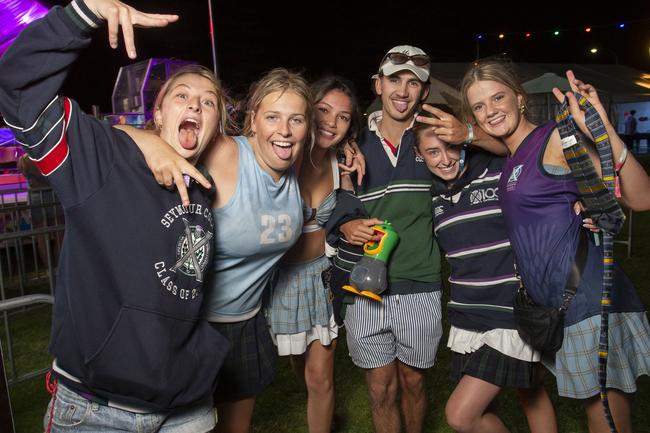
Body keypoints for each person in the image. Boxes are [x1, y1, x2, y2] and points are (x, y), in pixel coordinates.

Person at [0, 0, 232, 432]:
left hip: (188, 407)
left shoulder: (204, 189)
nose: (196, 107)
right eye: (182, 96)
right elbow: (16, 88)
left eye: (208, 102)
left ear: (216, 124)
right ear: (158, 114)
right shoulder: (104, 159)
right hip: (99, 411)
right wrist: (83, 12)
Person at [461, 60, 650, 433]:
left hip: (589, 302)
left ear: (520, 98)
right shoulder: (513, 156)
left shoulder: (553, 141)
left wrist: (603, 128)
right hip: (557, 310)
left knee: (605, 422)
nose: (490, 112)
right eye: (479, 106)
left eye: (498, 98)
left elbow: (641, 197)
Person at [325, 45, 505, 433]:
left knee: (413, 381)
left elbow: (508, 149)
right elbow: (329, 197)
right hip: (364, 288)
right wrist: (345, 224)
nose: (402, 91)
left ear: (424, 92)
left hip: (419, 286)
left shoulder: (439, 137)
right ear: (378, 84)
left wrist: (470, 133)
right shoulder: (351, 138)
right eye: (394, 80)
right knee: (379, 388)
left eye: (413, 83)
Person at [125, 68, 311, 433]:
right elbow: (119, 140)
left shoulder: (293, 159)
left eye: (297, 119)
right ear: (253, 120)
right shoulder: (225, 152)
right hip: (195, 323)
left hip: (248, 321)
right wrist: (146, 141)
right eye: (273, 117)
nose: (285, 130)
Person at [413, 108, 558, 433]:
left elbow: (533, 146)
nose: (445, 159)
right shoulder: (431, 193)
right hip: (468, 317)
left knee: (461, 414)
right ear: (420, 156)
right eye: (432, 152)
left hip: (511, 316)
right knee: (530, 390)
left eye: (451, 146)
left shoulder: (500, 168)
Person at [266, 75, 362, 433]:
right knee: (299, 364)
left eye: (343, 117)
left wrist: (351, 154)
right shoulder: (282, 152)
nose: (331, 123)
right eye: (323, 110)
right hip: (279, 281)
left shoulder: (341, 163)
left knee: (320, 378)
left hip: (321, 277)